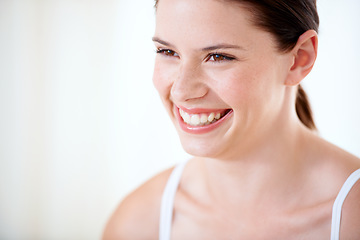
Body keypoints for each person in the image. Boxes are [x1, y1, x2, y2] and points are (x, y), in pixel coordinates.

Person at [103, 0, 360, 239]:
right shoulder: (138, 222)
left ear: (299, 59)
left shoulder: (353, 219)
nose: (180, 91)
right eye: (167, 51)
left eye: (218, 56)